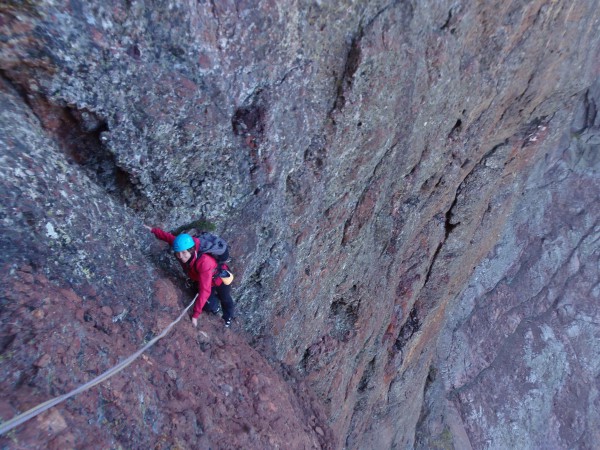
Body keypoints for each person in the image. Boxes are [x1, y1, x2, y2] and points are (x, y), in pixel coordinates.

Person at [144, 225, 236, 327]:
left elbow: (205, 290)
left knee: (225, 298)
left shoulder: (204, 262)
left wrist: (195, 315)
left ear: (191, 250)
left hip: (218, 278)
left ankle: (227, 318)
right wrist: (153, 230)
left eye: (184, 253)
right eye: (178, 254)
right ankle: (215, 308)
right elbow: (168, 238)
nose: (181, 257)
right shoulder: (182, 245)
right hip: (204, 278)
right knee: (209, 305)